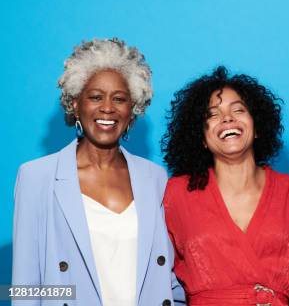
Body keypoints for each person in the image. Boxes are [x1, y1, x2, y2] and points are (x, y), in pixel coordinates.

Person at [12, 38, 183, 306]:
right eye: (95, 97)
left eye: (119, 99)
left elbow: (167, 273)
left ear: (132, 110)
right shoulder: (37, 177)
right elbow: (25, 286)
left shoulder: (155, 177)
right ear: (75, 104)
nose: (107, 108)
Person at [162, 66, 289, 306]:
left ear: (257, 127)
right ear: (200, 137)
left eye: (239, 110)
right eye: (213, 115)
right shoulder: (175, 193)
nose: (227, 118)